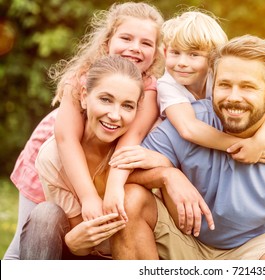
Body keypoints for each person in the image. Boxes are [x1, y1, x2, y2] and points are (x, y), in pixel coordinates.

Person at [110, 35, 265, 260]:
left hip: (255, 247)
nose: (233, 98)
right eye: (225, 85)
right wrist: (167, 175)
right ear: (213, 84)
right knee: (132, 199)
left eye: (247, 87)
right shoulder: (189, 122)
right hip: (183, 240)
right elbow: (126, 175)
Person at [3, 1, 164, 260]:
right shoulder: (81, 77)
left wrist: (113, 187)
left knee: (86, 233)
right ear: (108, 41)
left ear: (156, 52)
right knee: (26, 241)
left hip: (103, 160)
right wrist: (89, 197)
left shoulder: (150, 90)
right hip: (56, 152)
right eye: (126, 38)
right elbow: (66, 139)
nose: (135, 48)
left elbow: (131, 140)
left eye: (146, 43)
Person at [20, 55, 168, 259]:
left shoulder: (142, 146)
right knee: (44, 215)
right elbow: (86, 240)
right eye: (105, 99)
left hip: (133, 251)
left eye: (127, 105)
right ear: (84, 95)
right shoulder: (53, 158)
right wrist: (73, 244)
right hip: (84, 255)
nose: (115, 115)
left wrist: (168, 170)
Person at [154, 10, 265, 164]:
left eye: (194, 54)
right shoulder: (167, 83)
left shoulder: (218, 76)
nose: (182, 62)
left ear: (212, 58)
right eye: (175, 53)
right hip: (179, 151)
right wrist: (243, 146)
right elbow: (189, 129)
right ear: (165, 52)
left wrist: (259, 142)